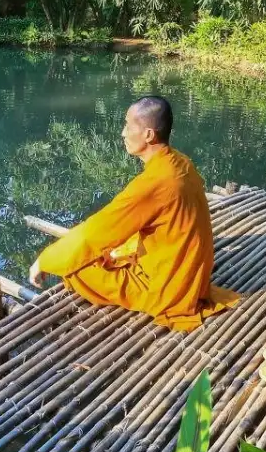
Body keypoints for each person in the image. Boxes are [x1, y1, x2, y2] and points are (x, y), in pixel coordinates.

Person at [27, 96, 239, 331]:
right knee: (118, 244)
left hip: (168, 288)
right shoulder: (181, 162)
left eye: (128, 126)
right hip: (191, 274)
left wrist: (45, 260)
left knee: (76, 270)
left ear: (148, 135)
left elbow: (96, 231)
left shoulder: (154, 183)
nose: (123, 133)